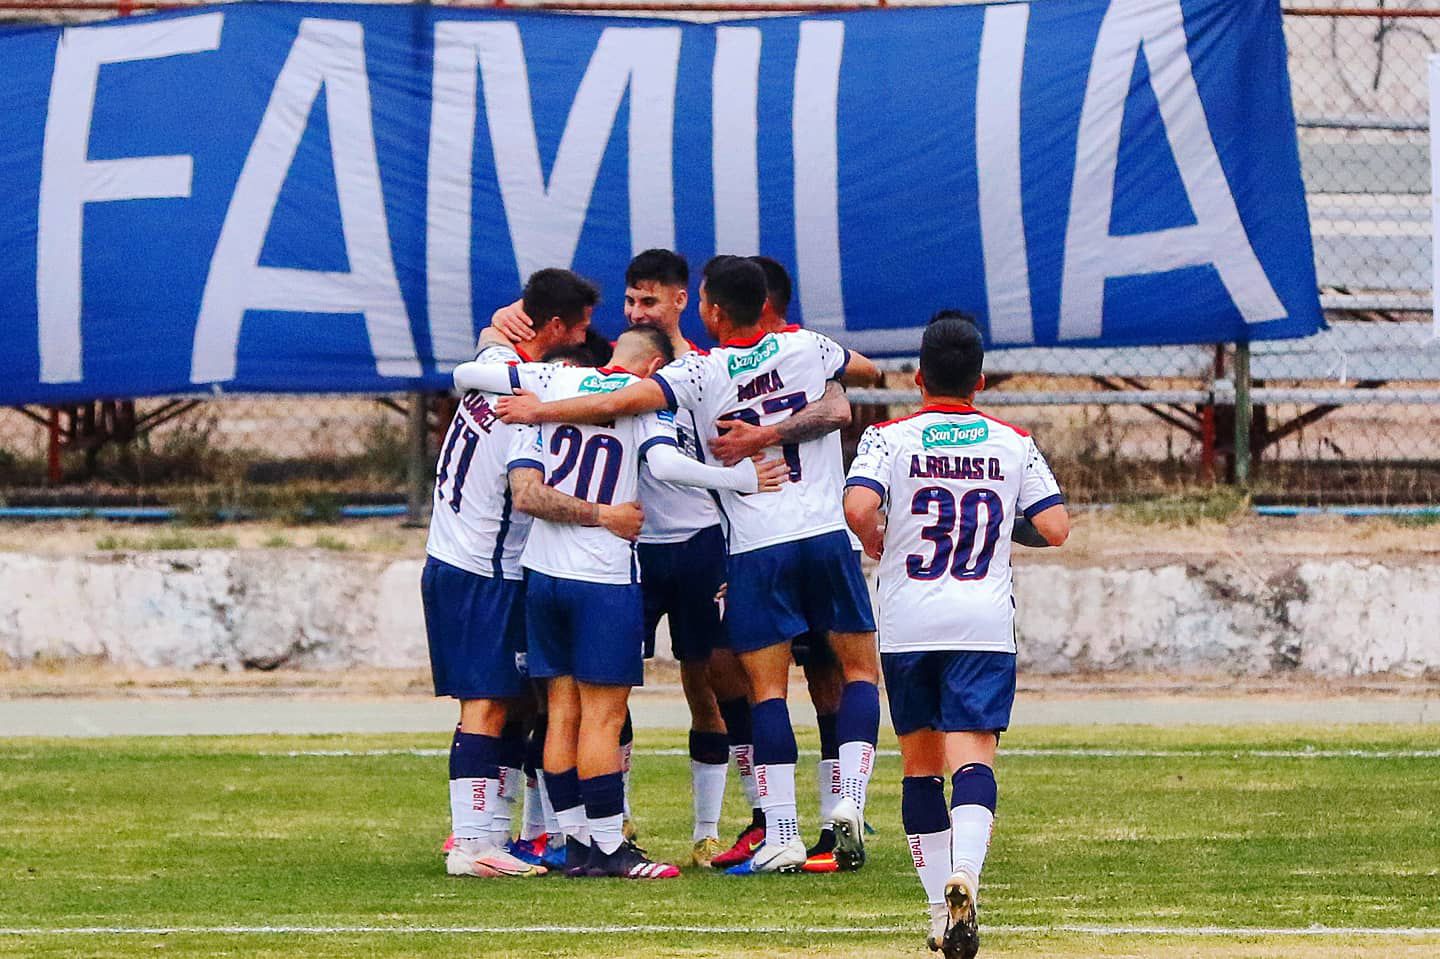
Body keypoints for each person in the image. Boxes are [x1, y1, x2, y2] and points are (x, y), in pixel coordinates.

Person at [496, 256, 882, 875]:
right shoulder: (809, 345)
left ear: (705, 309)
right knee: (859, 673)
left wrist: (539, 411)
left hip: (748, 543)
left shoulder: (700, 371)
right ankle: (847, 805)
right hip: (823, 535)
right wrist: (805, 404)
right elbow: (863, 375)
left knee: (761, 691)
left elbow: (635, 397)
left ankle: (776, 831)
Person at [455, 323, 789, 878]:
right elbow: (665, 466)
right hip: (602, 575)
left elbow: (471, 381)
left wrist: (533, 402)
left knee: (561, 711)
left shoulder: (551, 379)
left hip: (542, 572)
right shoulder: (642, 406)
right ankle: (610, 846)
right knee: (603, 718)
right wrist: (742, 480)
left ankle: (576, 841)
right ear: (655, 371)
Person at [842, 311, 1069, 957]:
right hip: (981, 622)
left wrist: (873, 536)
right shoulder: (1012, 440)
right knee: (972, 756)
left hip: (910, 621)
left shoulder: (889, 437)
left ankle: (937, 910)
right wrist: (1000, 526)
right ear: (981, 379)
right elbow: (1056, 527)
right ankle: (966, 874)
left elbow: (858, 506)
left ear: (917, 378)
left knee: (919, 767)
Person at [422, 267, 610, 879]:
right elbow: (528, 495)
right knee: (487, 706)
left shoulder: (499, 356)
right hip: (484, 569)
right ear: (554, 327)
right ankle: (473, 845)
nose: (588, 337)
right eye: (579, 326)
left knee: (505, 701)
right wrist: (603, 515)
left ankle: (484, 835)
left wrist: (501, 317)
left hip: (456, 559)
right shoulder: (530, 393)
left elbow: (493, 341)